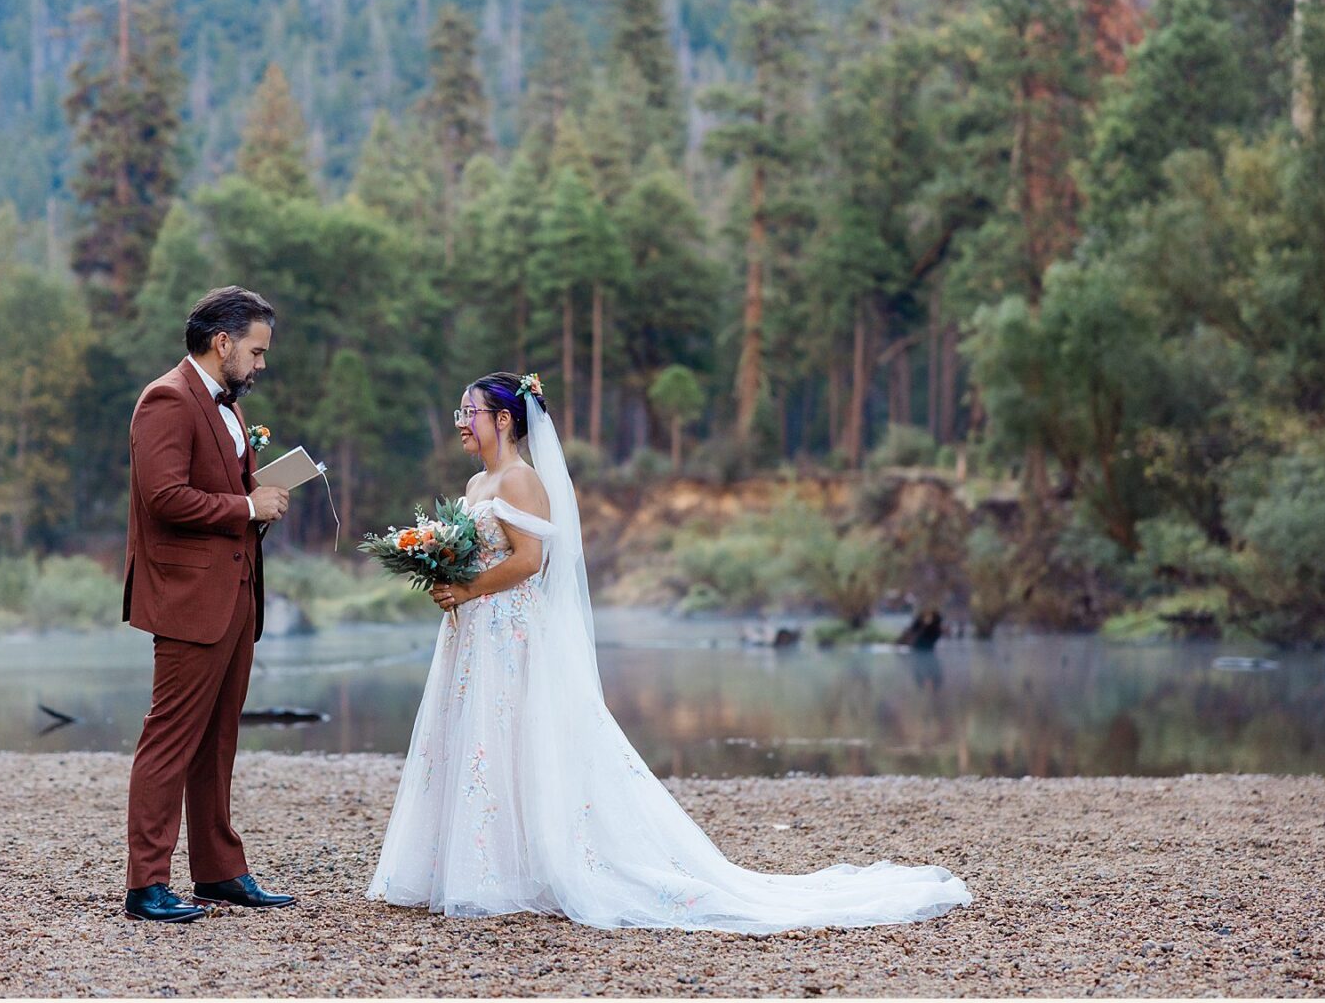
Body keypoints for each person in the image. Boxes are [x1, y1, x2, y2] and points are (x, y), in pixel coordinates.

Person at [366, 371, 972, 932]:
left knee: (518, 738)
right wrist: (445, 576)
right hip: (473, 633)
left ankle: (527, 869)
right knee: (476, 742)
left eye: (468, 412)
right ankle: (478, 864)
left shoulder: (523, 480)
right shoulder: (476, 483)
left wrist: (466, 586)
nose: (461, 423)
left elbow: (531, 561)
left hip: (510, 632)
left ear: (503, 419)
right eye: (459, 413)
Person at [121, 286, 297, 923]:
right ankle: (147, 884)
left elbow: (213, 487)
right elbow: (164, 496)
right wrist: (248, 506)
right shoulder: (166, 398)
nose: (261, 364)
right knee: (170, 738)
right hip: (190, 596)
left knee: (218, 739)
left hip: (236, 592)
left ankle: (219, 872)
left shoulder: (227, 406)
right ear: (222, 343)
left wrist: (260, 495)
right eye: (256, 351)